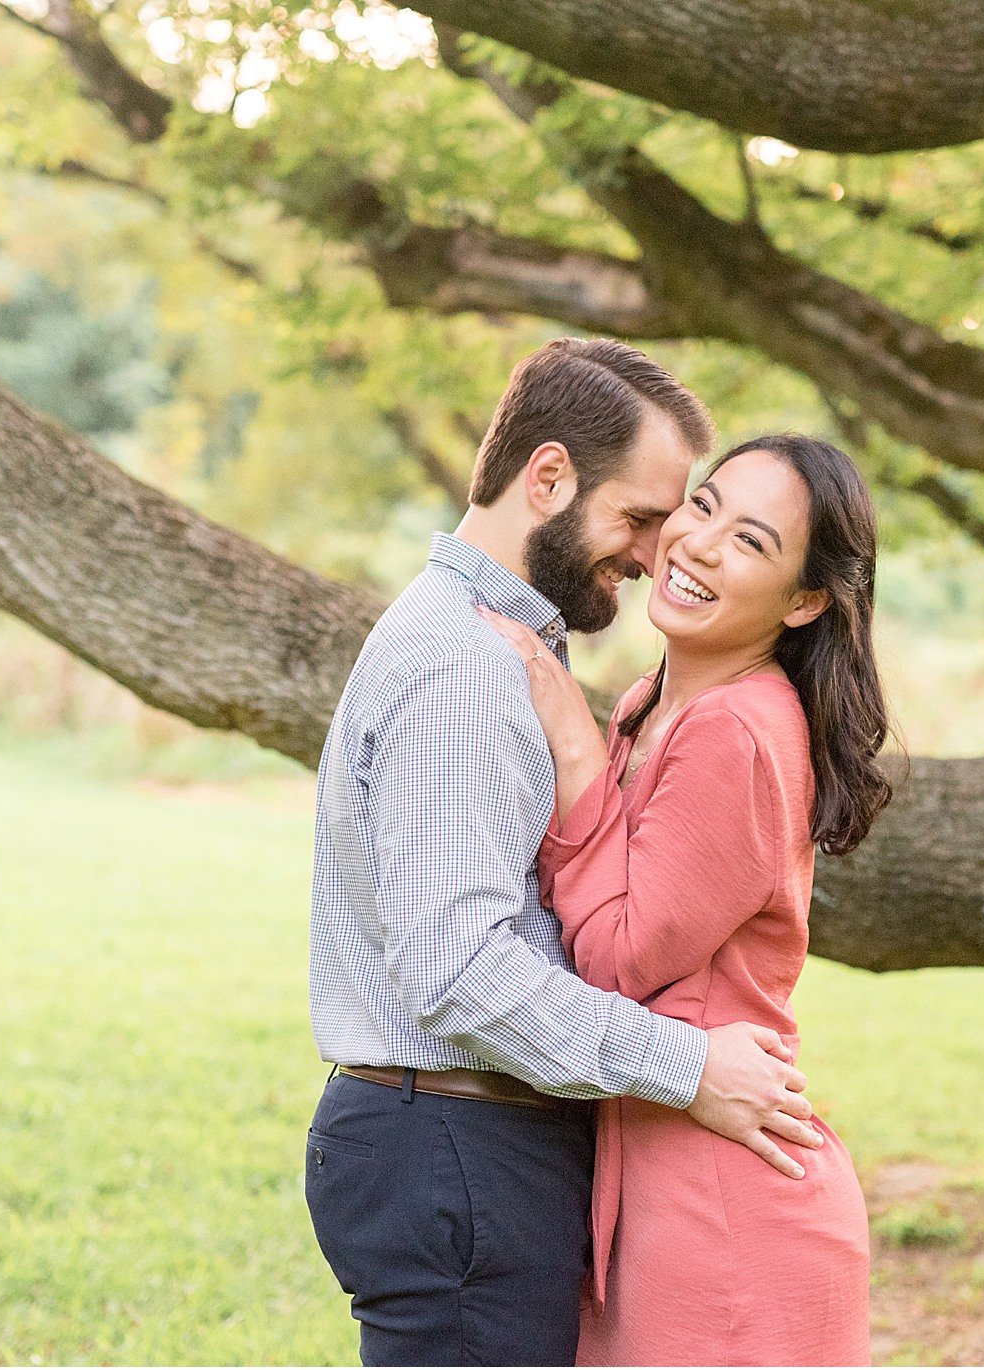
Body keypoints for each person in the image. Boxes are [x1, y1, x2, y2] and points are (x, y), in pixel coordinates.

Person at [304, 341, 826, 1367]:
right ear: (547, 476)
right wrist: (687, 1064)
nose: (650, 552)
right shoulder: (465, 666)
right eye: (639, 516)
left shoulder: (503, 646)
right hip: (453, 1145)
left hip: (456, 1142)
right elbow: (457, 970)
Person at [479, 432, 892, 1366]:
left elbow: (618, 960)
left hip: (724, 1209)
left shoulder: (737, 730)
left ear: (806, 601)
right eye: (703, 507)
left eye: (752, 541)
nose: (700, 545)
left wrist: (575, 753)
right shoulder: (649, 705)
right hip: (657, 1173)